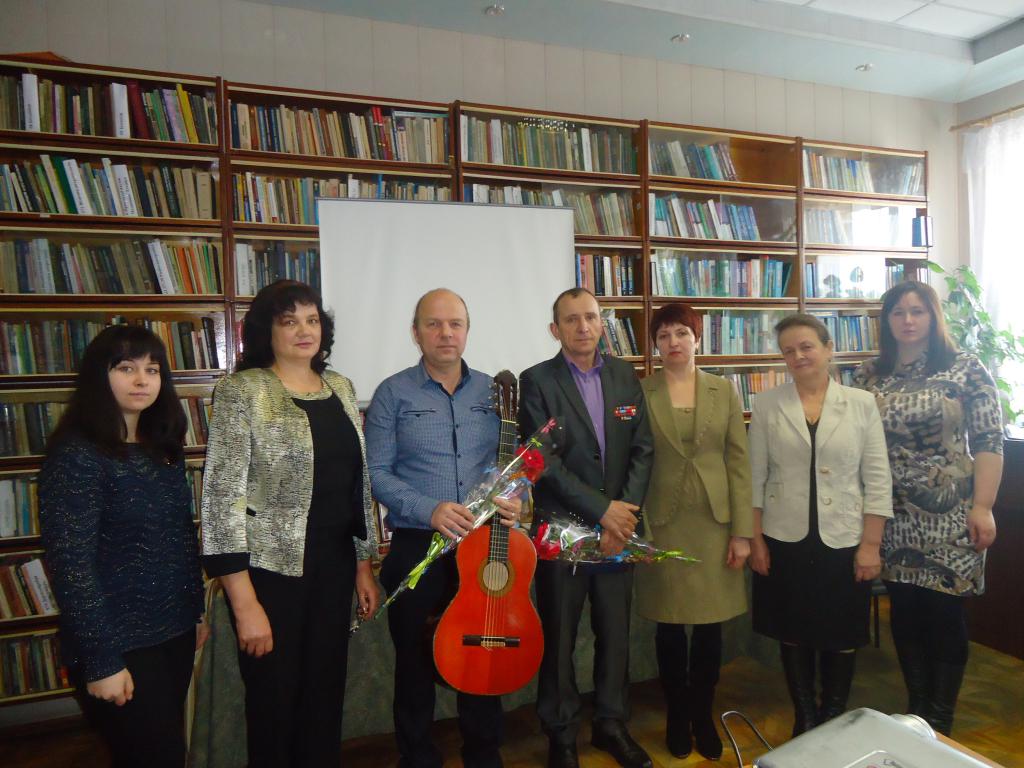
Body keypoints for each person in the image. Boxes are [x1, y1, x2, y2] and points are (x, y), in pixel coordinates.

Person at [200, 280, 381, 767]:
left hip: (334, 567)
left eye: (312, 320)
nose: (304, 330)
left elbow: (355, 485)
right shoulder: (243, 391)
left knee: (325, 695)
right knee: (274, 703)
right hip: (269, 575)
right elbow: (221, 499)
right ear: (267, 331)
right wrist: (245, 605)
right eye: (289, 321)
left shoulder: (340, 387)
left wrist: (363, 567)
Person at [364, 288, 520, 768]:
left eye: (455, 323)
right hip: (418, 543)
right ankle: (417, 756)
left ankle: (484, 754)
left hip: (485, 545)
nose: (445, 333)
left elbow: (512, 467)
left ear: (467, 331)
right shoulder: (392, 393)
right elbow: (376, 473)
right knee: (413, 661)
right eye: (433, 324)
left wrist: (517, 499)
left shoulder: (494, 392)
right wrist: (429, 509)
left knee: (483, 653)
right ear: (416, 333)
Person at [39, 325, 206, 768]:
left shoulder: (163, 449)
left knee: (168, 752)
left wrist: (195, 612)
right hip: (117, 641)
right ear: (100, 375)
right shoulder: (77, 455)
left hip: (173, 631)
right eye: (126, 368)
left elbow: (178, 540)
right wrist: (100, 661)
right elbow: (71, 566)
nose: (141, 380)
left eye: (152, 370)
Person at [852, 281, 1003, 735]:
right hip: (890, 514)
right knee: (904, 611)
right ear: (886, 320)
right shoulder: (868, 374)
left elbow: (989, 440)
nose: (908, 320)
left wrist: (984, 506)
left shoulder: (965, 368)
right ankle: (917, 707)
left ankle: (941, 715)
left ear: (934, 316)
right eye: (898, 312)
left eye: (917, 311)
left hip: (952, 514)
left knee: (943, 613)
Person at [518, 287, 654, 768]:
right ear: (555, 329)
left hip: (619, 531)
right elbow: (542, 461)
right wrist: (603, 511)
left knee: (615, 634)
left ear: (601, 323)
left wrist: (624, 514)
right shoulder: (536, 381)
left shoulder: (624, 375)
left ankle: (611, 724)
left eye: (591, 317)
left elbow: (642, 448)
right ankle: (561, 733)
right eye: (571, 319)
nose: (583, 327)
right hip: (563, 535)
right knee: (559, 638)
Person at [748, 314, 892, 737]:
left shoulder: (861, 403)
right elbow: (754, 477)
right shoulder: (767, 404)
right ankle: (805, 715)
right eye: (788, 350)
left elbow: (877, 477)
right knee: (793, 629)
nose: (798, 356)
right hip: (784, 536)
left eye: (807, 346)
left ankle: (833, 715)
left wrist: (871, 545)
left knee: (841, 630)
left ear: (829, 349)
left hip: (844, 537)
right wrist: (756, 540)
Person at [633, 304, 752, 760]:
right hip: (661, 523)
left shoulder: (724, 390)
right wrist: (636, 528)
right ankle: (677, 715)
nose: (673, 342)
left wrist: (742, 532)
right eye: (663, 335)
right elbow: (633, 462)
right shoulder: (641, 391)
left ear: (697, 338)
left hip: (714, 526)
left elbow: (738, 463)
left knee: (708, 628)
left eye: (682, 332)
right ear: (655, 344)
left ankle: (703, 714)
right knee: (668, 626)